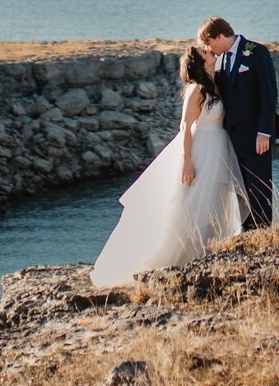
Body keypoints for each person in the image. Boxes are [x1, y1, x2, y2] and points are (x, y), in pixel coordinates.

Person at [90, 44, 250, 288]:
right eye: (206, 53)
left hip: (218, 148)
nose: (211, 53)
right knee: (190, 202)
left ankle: (204, 253)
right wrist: (187, 162)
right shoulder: (196, 90)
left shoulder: (216, 83)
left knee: (212, 202)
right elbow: (185, 127)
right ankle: (174, 257)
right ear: (200, 62)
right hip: (200, 149)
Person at [197, 15, 279, 229]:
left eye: (208, 42)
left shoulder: (256, 52)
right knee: (239, 186)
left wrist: (265, 132)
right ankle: (245, 230)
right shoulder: (222, 59)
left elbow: (269, 94)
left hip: (256, 135)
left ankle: (262, 230)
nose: (208, 47)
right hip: (232, 137)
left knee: (259, 184)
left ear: (219, 36)